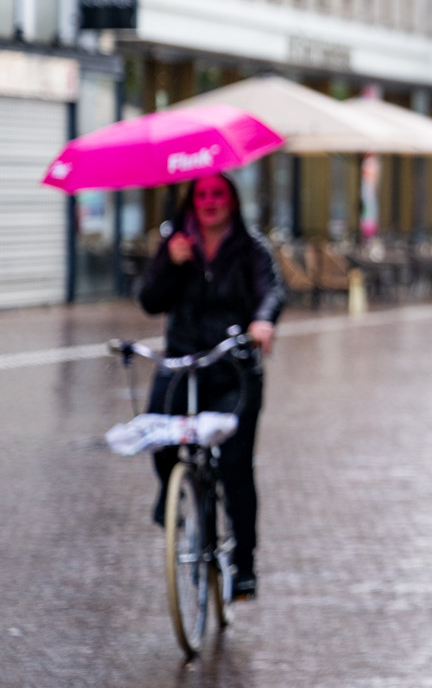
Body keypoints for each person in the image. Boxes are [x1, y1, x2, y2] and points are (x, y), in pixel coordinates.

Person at [139, 173, 285, 601]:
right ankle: (171, 490)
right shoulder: (176, 242)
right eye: (202, 194)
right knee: (158, 433)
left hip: (233, 368)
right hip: (183, 364)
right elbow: (149, 301)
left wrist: (263, 322)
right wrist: (170, 263)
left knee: (236, 466)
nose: (210, 201)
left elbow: (272, 291)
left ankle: (244, 563)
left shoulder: (251, 247)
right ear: (192, 201)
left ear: (232, 200)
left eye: (218, 194)